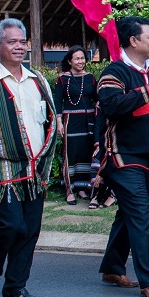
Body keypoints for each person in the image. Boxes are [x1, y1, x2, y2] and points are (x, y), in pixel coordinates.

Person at [0, 18, 56, 297]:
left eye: (22, 42)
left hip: (35, 168)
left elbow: (49, 122)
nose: (19, 47)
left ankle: (16, 287)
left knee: (31, 229)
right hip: (1, 164)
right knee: (12, 225)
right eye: (12, 42)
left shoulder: (38, 80)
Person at [96, 16, 149, 297]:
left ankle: (112, 267)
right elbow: (111, 106)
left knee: (128, 214)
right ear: (133, 40)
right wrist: (145, 90)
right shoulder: (114, 72)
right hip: (122, 157)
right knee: (140, 213)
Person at [55, 45, 97, 205]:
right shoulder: (63, 78)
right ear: (70, 61)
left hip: (89, 121)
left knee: (85, 153)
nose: (81, 61)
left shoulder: (90, 77)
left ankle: (82, 187)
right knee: (71, 153)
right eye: (77, 58)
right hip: (71, 121)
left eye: (82, 58)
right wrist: (59, 122)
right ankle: (69, 190)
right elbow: (58, 101)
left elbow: (96, 97)